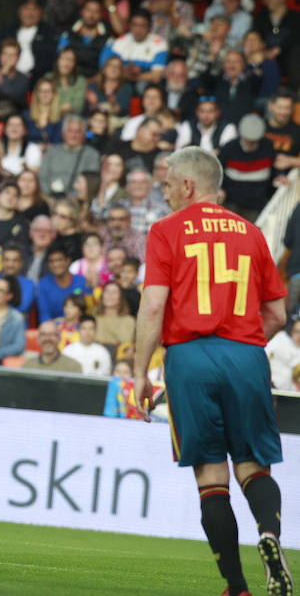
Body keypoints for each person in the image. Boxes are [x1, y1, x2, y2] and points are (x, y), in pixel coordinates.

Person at [133, 146, 293, 596]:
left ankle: (238, 588)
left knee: (210, 476)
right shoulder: (252, 233)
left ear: (187, 185)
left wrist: (141, 370)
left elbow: (153, 304)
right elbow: (278, 314)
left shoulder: (166, 231)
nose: (164, 194)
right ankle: (269, 534)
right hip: (246, 355)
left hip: (189, 358)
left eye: (166, 184)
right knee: (253, 466)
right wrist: (240, 338)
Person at [37, 245, 88, 323]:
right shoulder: (43, 284)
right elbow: (44, 316)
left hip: (80, 327)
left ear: (68, 261)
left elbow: (88, 310)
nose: (55, 264)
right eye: (51, 261)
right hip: (54, 329)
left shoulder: (81, 281)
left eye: (59, 260)